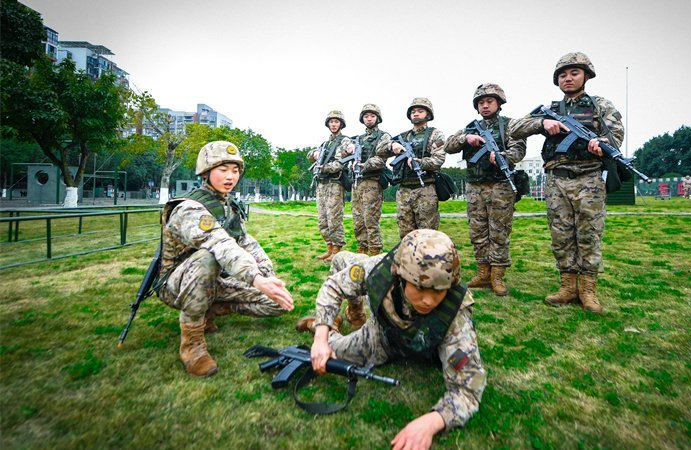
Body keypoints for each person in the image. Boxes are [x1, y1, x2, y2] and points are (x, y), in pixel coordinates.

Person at [296, 229, 485, 450]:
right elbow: (334, 286)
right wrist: (321, 337)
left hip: (422, 343)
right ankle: (323, 322)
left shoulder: (455, 315)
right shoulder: (381, 270)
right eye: (420, 287)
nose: (428, 300)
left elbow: (468, 389)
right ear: (401, 276)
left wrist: (432, 422)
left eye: (438, 290)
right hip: (383, 333)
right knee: (331, 348)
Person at [157, 141, 294, 377]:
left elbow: (247, 243)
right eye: (223, 170)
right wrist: (254, 278)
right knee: (207, 257)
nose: (231, 176)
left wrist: (267, 277)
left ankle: (210, 310)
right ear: (206, 172)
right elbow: (219, 242)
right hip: (177, 284)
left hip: (215, 282)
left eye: (235, 170)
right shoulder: (188, 208)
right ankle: (192, 344)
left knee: (277, 302)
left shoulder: (228, 206)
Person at [509, 52, 625, 314]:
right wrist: (543, 123)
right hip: (557, 179)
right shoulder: (551, 109)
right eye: (563, 75)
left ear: (586, 76)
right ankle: (568, 286)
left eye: (574, 73)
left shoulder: (600, 105)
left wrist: (602, 143)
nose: (568, 78)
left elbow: (615, 135)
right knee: (560, 235)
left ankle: (588, 290)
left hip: (589, 178)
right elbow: (514, 128)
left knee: (589, 234)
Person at [444, 83, 527, 296]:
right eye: (481, 102)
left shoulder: (510, 125)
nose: (485, 105)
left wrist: (504, 157)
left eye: (490, 101)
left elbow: (518, 149)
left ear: (499, 103)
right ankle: (483, 272)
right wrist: (465, 139)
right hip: (475, 186)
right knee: (478, 231)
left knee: (499, 231)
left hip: (500, 185)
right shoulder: (471, 128)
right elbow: (448, 145)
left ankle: (497, 276)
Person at [377, 98, 446, 238]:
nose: (416, 113)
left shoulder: (435, 134)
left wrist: (420, 162)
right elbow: (379, 150)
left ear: (428, 114)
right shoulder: (403, 137)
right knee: (405, 233)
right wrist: (392, 145)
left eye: (420, 111)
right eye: (413, 111)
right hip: (404, 189)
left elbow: (438, 159)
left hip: (425, 188)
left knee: (427, 234)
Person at [345, 104, 391, 256]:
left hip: (372, 182)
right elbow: (342, 150)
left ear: (378, 118)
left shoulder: (383, 137)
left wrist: (363, 165)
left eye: (372, 116)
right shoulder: (358, 139)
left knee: (371, 218)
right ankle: (362, 247)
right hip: (357, 183)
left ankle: (375, 249)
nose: (369, 119)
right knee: (358, 219)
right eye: (366, 116)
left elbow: (381, 159)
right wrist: (348, 148)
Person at [308, 110, 352, 262]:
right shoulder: (325, 144)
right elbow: (310, 156)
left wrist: (324, 167)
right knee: (322, 219)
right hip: (322, 185)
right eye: (331, 122)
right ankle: (329, 248)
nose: (333, 124)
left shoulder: (345, 141)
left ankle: (337, 250)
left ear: (341, 124)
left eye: (336, 122)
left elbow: (341, 163)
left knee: (334, 219)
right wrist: (315, 154)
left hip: (335, 183)